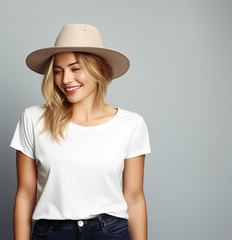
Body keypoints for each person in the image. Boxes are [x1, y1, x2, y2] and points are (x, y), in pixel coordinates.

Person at [9, 24, 151, 240]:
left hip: (109, 232)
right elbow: (25, 195)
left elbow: (134, 198)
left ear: (99, 70)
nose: (65, 79)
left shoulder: (131, 124)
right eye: (58, 71)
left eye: (75, 69)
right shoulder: (33, 119)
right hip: (51, 233)